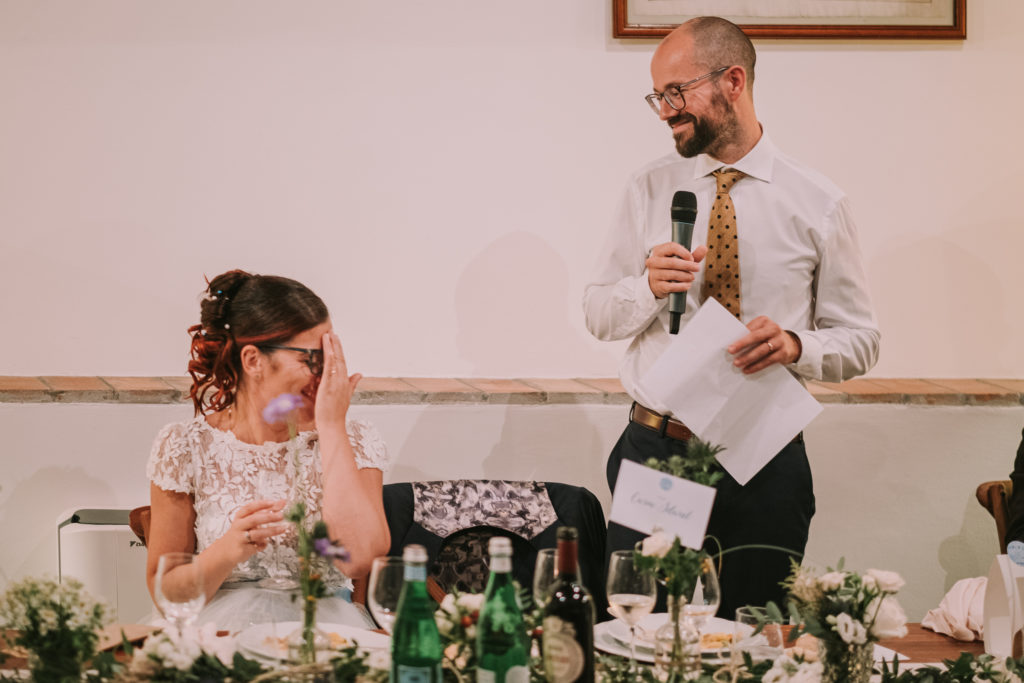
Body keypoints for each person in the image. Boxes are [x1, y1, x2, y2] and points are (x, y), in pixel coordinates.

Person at [583, 16, 879, 616]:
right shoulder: (648, 188)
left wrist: (796, 345)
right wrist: (647, 288)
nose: (665, 112)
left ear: (733, 82)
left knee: (755, 633)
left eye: (676, 92)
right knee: (639, 630)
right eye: (657, 97)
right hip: (661, 449)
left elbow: (861, 340)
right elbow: (598, 314)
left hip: (764, 451)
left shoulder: (817, 202)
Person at [145, 269, 391, 633]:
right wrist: (227, 550)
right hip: (220, 634)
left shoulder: (354, 437)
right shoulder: (185, 445)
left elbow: (359, 560)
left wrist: (332, 427)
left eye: (331, 358)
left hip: (323, 633)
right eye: (311, 359)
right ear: (253, 361)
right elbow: (166, 595)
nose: (326, 376)